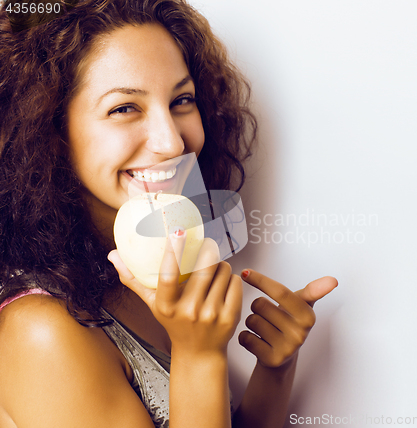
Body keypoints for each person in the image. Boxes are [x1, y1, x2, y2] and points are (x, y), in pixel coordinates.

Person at [0, 0, 338, 427]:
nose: (173, 143)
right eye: (124, 108)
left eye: (181, 99)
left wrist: (275, 370)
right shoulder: (40, 333)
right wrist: (200, 356)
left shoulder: (162, 269)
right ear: (50, 130)